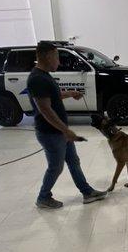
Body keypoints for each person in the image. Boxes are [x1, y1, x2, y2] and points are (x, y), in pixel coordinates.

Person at [27, 41, 107, 209]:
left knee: (73, 161)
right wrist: (65, 130)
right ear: (48, 56)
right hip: (51, 133)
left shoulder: (44, 76)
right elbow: (45, 109)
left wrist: (70, 93)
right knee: (55, 167)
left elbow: (52, 96)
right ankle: (43, 197)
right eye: (57, 57)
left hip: (59, 131)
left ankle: (87, 192)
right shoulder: (37, 79)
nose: (59, 61)